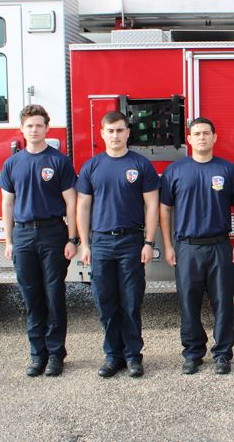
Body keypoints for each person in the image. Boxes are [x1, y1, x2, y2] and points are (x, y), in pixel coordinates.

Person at [76, 111, 160, 378]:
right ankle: (113, 356)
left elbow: (152, 205)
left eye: (120, 130)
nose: (115, 135)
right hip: (100, 242)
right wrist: (85, 244)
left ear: (128, 133)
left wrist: (149, 241)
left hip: (131, 241)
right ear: (102, 133)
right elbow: (83, 207)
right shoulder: (91, 166)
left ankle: (134, 356)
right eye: (110, 131)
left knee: (131, 302)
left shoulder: (141, 165)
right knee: (106, 302)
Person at [0, 104, 78, 377]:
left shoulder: (59, 161)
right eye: (29, 125)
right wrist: (9, 240)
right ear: (22, 129)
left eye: (39, 125)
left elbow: (71, 202)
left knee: (54, 296)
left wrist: (72, 238)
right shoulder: (12, 164)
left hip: (53, 233)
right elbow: (7, 204)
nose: (34, 130)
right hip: (22, 235)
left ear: (47, 128)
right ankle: (37, 355)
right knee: (32, 298)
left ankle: (56, 355)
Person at [159, 117, 234, 375]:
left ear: (215, 137)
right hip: (187, 246)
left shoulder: (228, 170)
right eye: (197, 133)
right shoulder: (175, 171)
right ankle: (193, 353)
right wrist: (168, 245)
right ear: (189, 139)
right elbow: (165, 209)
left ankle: (222, 354)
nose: (202, 137)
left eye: (207, 133)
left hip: (219, 245)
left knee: (223, 302)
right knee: (188, 302)